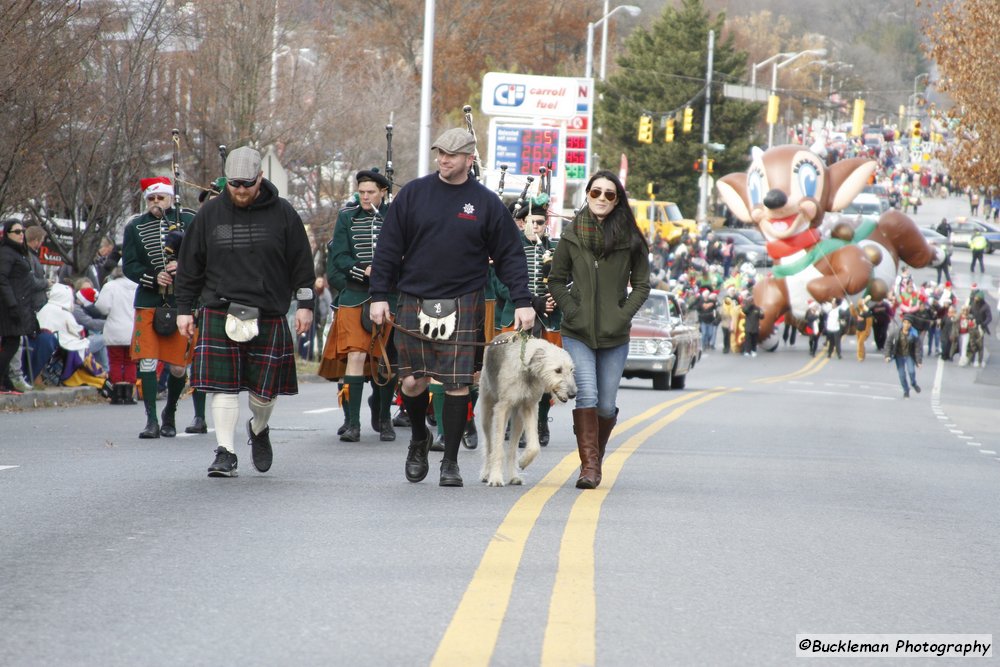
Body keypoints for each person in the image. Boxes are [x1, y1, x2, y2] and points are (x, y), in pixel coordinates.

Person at [369, 127, 534, 488]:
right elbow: (387, 249)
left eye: (452, 154)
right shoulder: (413, 194)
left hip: (463, 299)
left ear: (469, 159)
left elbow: (510, 254)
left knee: (457, 384)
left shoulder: (486, 203)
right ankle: (417, 438)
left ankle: (451, 460)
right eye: (440, 152)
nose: (444, 159)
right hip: (413, 297)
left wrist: (523, 300)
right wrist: (379, 294)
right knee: (412, 382)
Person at [175, 146, 316, 478]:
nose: (239, 191)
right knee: (222, 387)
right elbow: (190, 266)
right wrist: (184, 309)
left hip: (267, 310)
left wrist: (306, 304)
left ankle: (259, 427)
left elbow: (302, 264)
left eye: (246, 185)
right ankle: (226, 451)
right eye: (234, 184)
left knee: (262, 396)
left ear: (260, 178)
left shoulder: (283, 213)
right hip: (219, 309)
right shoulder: (209, 214)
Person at [547, 169, 650, 489]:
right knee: (587, 395)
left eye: (609, 194)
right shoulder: (571, 234)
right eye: (595, 193)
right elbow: (555, 279)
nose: (601, 199)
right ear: (587, 195)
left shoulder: (631, 238)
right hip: (577, 332)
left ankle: (595, 459)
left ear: (617, 200)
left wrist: (622, 316)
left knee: (605, 404)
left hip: (614, 335)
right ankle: (589, 468)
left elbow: (643, 286)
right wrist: (572, 309)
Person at [322, 168, 396, 443]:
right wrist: (363, 271)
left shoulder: (395, 217)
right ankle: (352, 423)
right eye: (362, 192)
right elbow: (339, 257)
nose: (365, 197)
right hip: (355, 295)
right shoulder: (346, 218)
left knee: (385, 360)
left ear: (383, 192)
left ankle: (385, 418)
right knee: (355, 356)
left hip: (390, 295)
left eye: (371, 192)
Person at [0, 220, 45, 394]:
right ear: (8, 233)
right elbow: (2, 279)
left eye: (22, 231)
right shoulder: (6, 252)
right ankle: (3, 380)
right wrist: (11, 304)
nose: (21, 234)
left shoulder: (18, 252)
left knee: (12, 341)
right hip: (9, 305)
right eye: (16, 231)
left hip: (20, 302)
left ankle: (6, 381)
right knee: (12, 342)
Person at [94, 264, 139, 403]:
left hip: (115, 328)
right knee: (131, 362)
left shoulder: (110, 286)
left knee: (115, 361)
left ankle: (118, 394)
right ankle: (130, 394)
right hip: (133, 329)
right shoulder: (138, 286)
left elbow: (103, 307)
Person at [885, 317, 922, 398]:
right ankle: (906, 390)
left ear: (911, 325)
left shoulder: (914, 334)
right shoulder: (896, 332)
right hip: (899, 355)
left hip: (909, 355)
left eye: (908, 323)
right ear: (902, 323)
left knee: (911, 371)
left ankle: (913, 383)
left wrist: (919, 361)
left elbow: (918, 348)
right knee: (902, 375)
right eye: (905, 322)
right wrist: (887, 355)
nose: (906, 325)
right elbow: (888, 343)